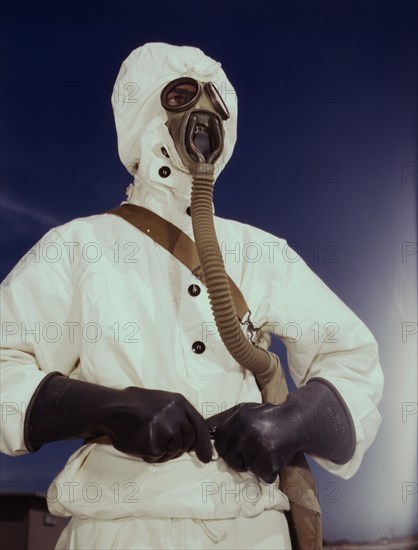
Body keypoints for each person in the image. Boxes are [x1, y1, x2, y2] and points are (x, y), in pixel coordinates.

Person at [0, 43, 383, 549]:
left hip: (252, 530)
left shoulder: (260, 252)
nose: (204, 111)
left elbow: (352, 356)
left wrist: (292, 420)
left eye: (216, 100)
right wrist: (105, 408)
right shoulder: (77, 247)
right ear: (145, 115)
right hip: (122, 528)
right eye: (183, 93)